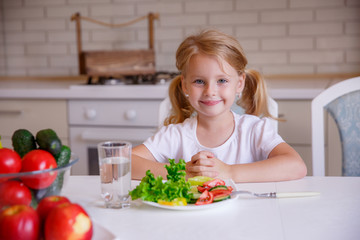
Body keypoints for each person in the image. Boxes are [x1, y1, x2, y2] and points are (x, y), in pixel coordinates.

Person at [132, 29, 307, 182]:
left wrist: (230, 172)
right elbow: (125, 161)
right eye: (199, 81)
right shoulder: (174, 135)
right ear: (185, 85)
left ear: (239, 84)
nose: (210, 91)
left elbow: (296, 166)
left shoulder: (254, 130)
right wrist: (181, 172)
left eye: (222, 80)